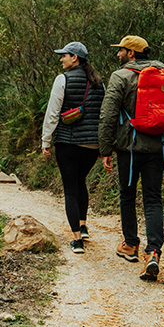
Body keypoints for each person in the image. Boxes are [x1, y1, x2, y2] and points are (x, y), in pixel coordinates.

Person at [98, 35, 164, 281]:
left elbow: (108, 114)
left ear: (132, 53)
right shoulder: (163, 75)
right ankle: (153, 252)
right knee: (153, 200)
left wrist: (105, 149)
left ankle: (131, 245)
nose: (118, 54)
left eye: (121, 50)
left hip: (129, 150)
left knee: (127, 195)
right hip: (156, 148)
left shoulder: (120, 76)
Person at [41, 41, 105, 255]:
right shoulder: (99, 83)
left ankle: (77, 240)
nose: (61, 59)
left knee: (70, 188)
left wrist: (45, 141)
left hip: (68, 143)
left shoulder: (63, 80)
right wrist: (103, 146)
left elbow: (52, 113)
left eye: (64, 56)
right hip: (91, 145)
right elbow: (102, 116)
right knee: (81, 182)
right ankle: (84, 226)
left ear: (75, 58)